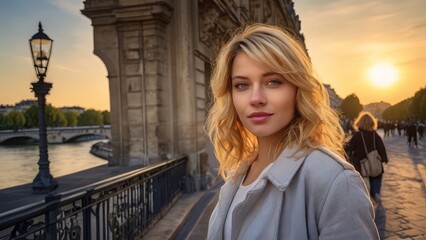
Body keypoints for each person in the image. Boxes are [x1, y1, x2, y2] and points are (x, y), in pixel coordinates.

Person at [206, 24, 378, 240]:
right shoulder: (238, 172)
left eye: (273, 82)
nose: (256, 98)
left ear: (298, 89)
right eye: (242, 85)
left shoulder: (334, 182)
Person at [346, 112, 388, 205]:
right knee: (376, 178)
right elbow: (381, 147)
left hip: (360, 164)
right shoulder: (374, 135)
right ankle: (375, 193)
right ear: (372, 123)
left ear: (359, 122)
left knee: (361, 182)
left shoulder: (357, 136)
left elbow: (348, 147)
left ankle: (364, 198)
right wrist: (384, 158)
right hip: (374, 162)